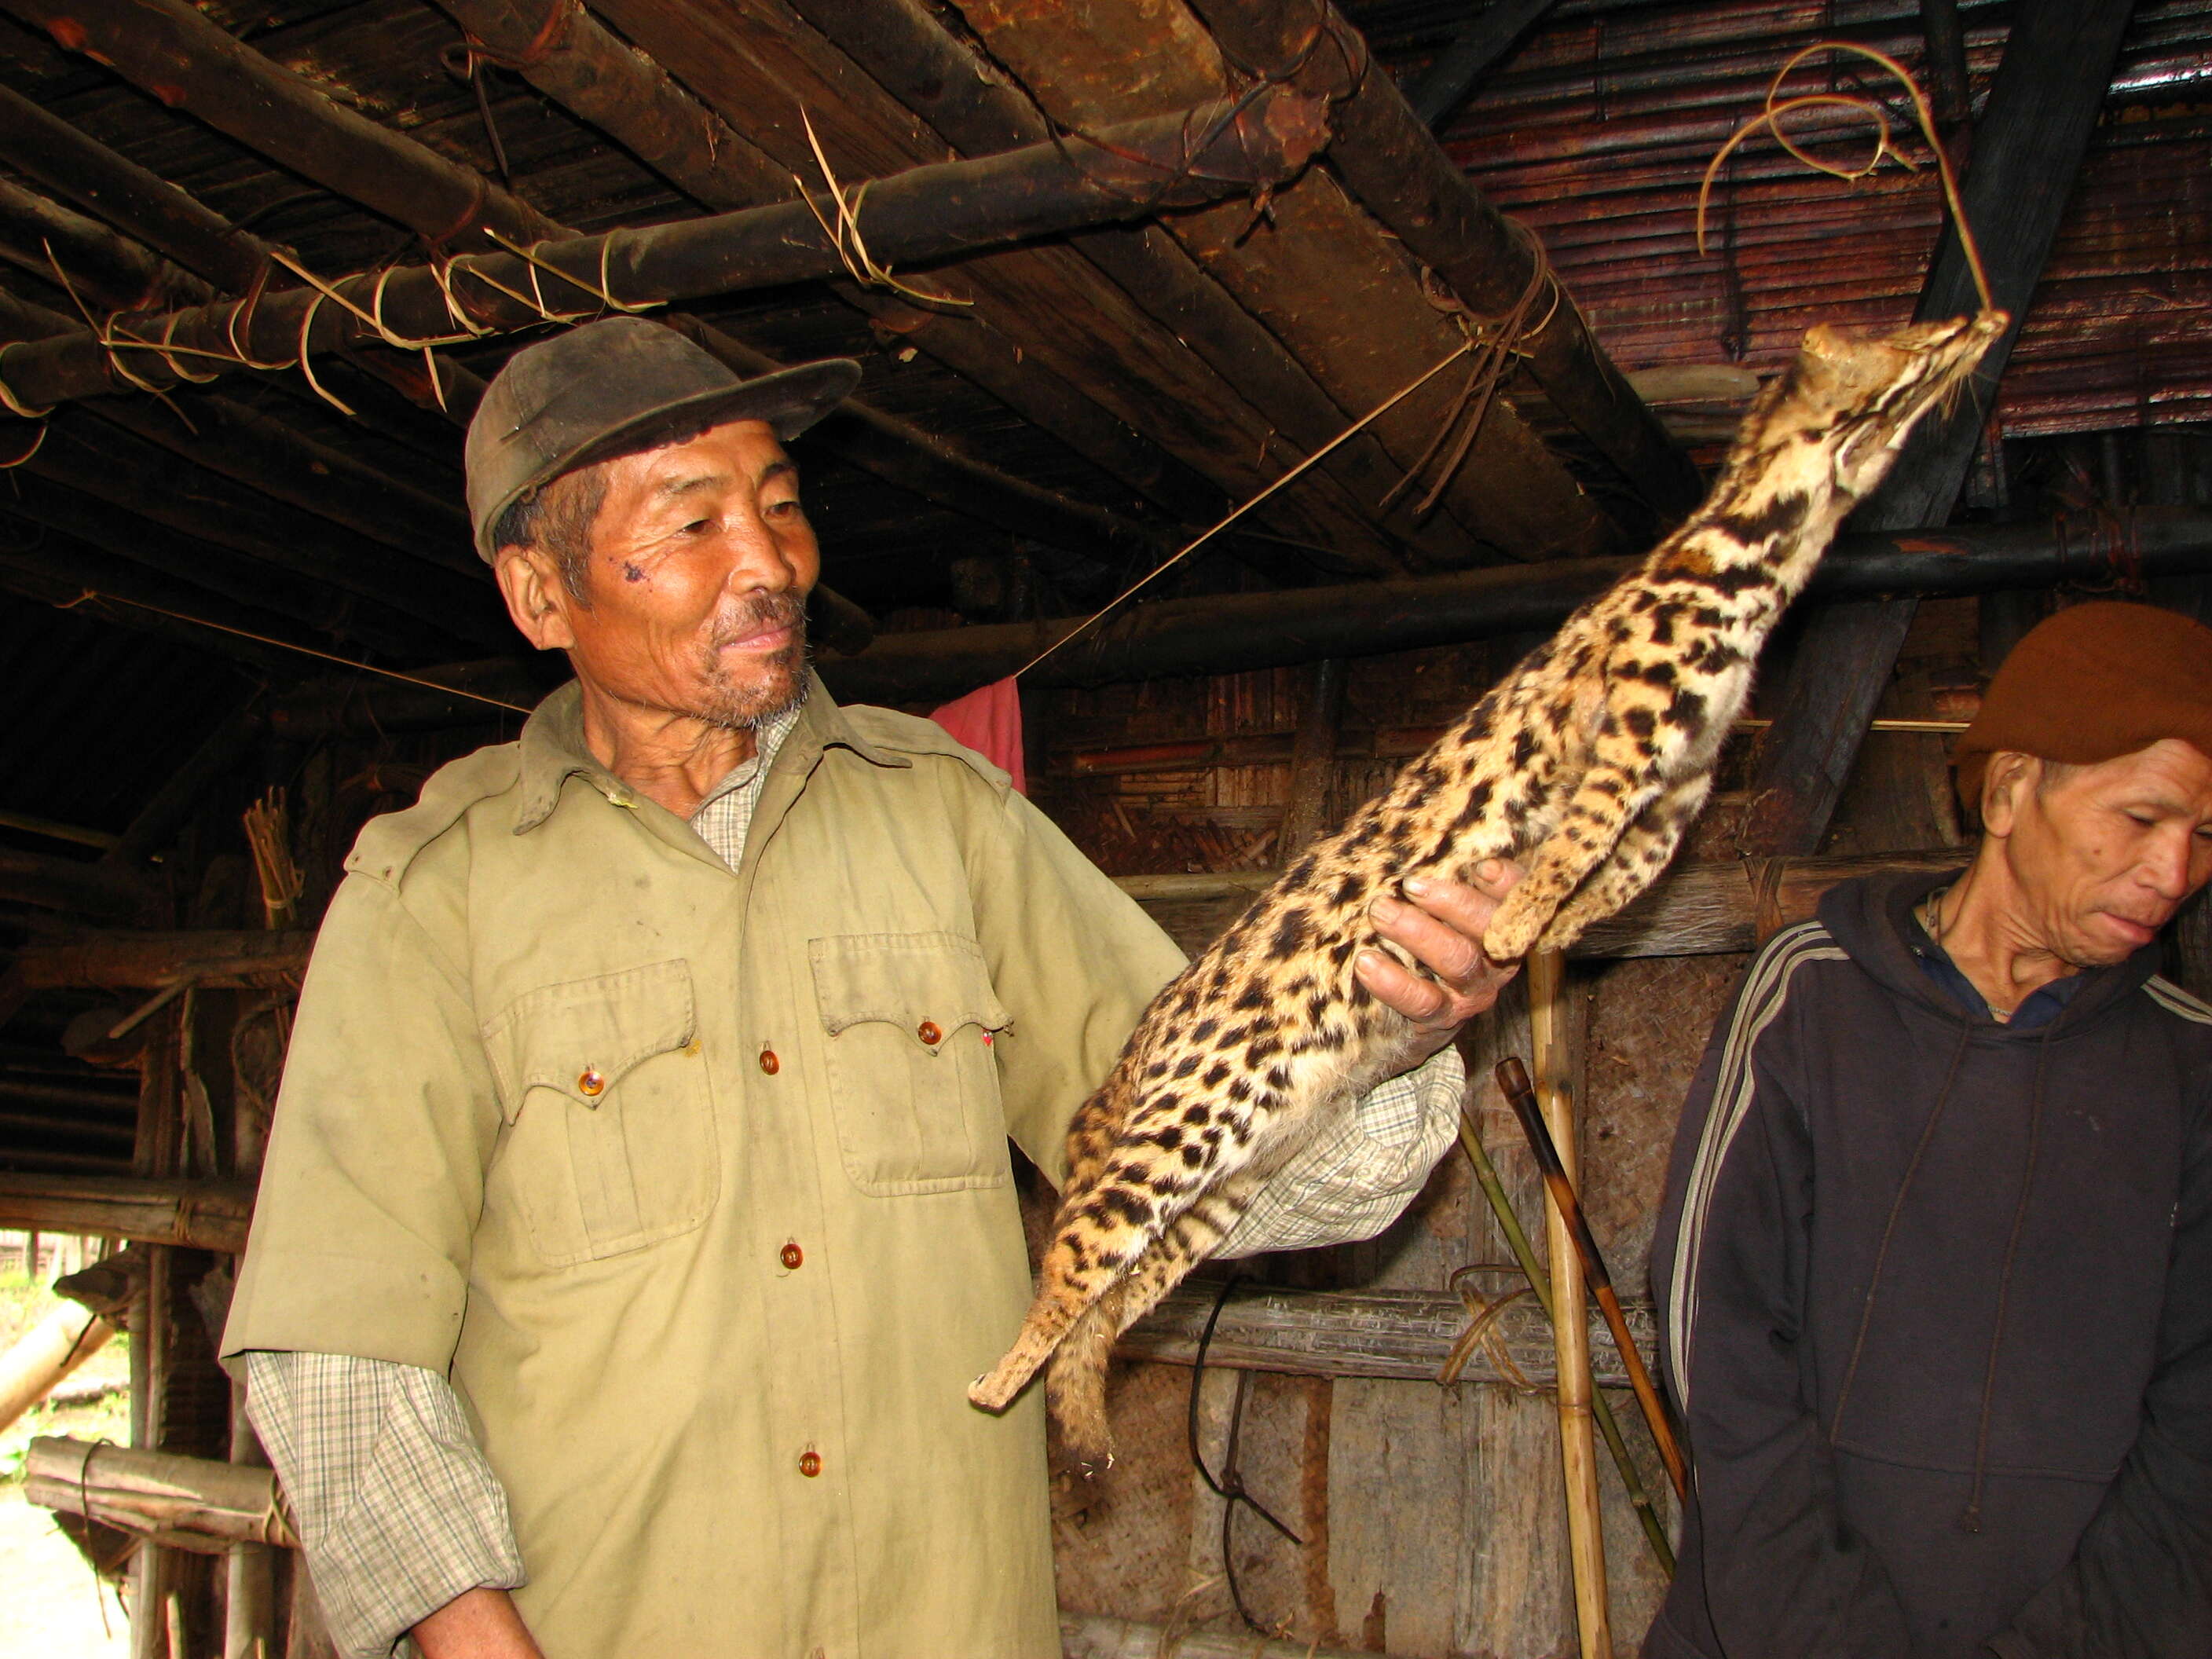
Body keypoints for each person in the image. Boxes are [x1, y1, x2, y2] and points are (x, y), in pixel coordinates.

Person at [221, 317, 1521, 1659]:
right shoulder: (432, 893)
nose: (768, 563)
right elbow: (339, 1360)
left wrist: (1387, 1030)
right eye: (694, 522)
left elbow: (1200, 1157)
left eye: (780, 507)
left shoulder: (949, 819)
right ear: (541, 596)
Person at [1647, 600, 2212, 1659]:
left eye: (2209, 834)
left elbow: (2200, 1441)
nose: (2175, 874)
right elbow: (1719, 1349)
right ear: (2008, 791)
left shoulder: (2192, 1070)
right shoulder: (1811, 1000)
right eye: (2143, 819)